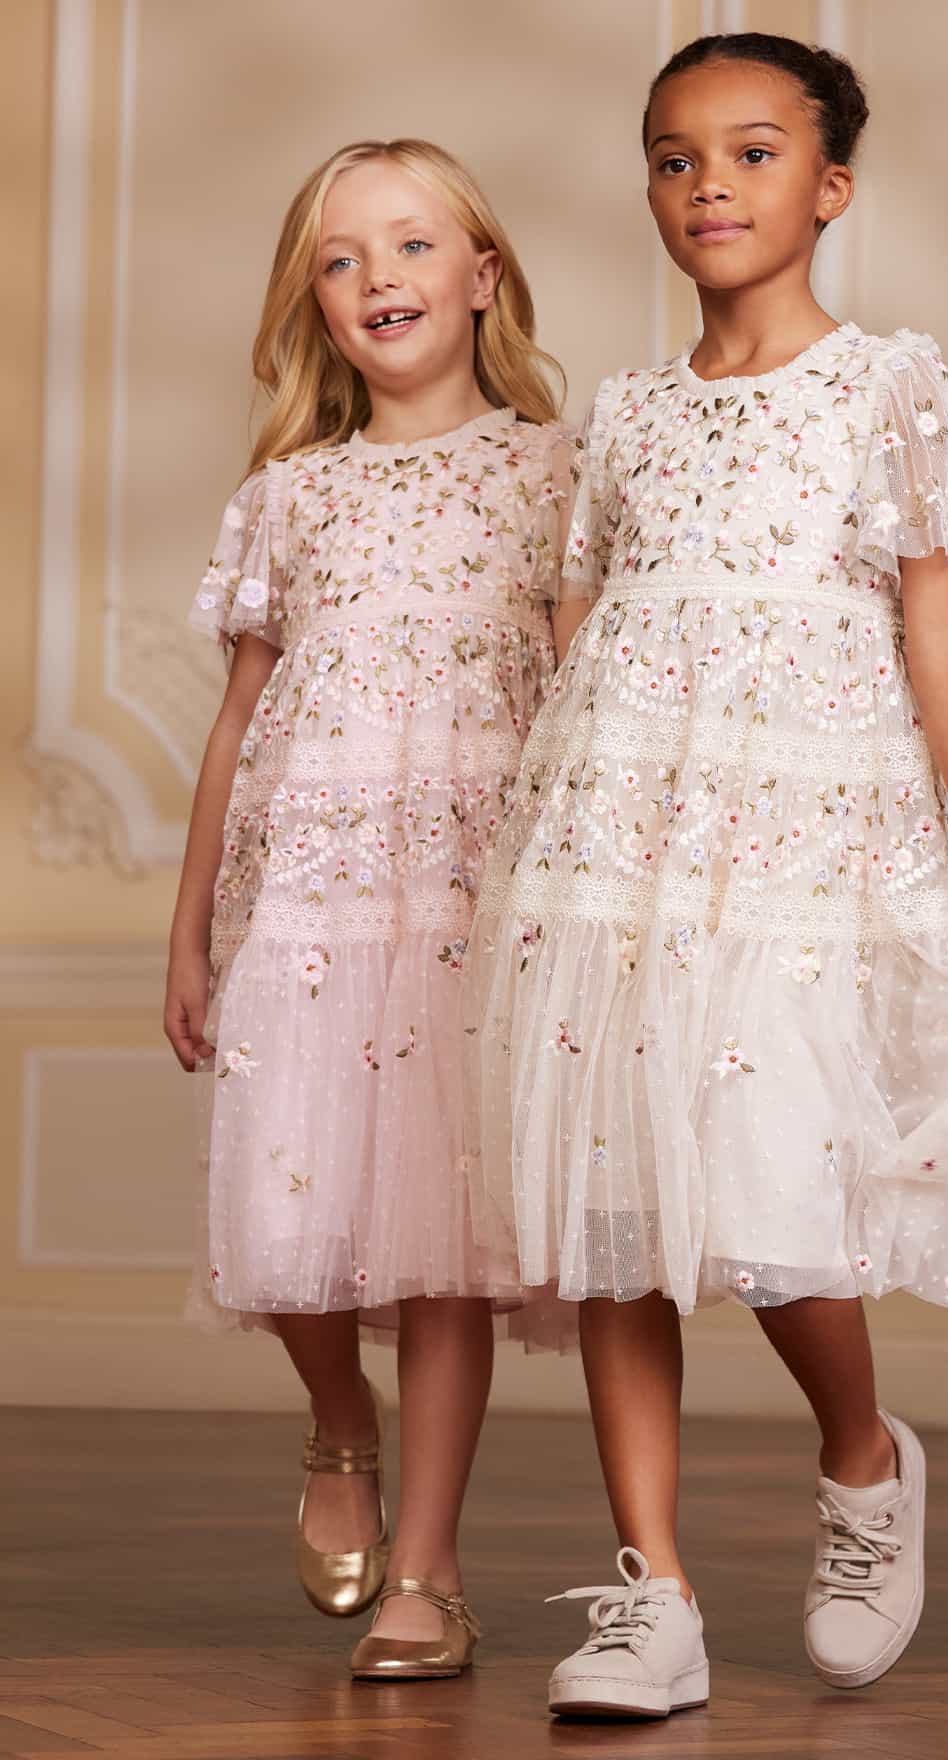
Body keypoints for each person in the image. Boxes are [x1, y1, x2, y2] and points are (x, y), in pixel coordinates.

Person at [463, 32, 948, 1718]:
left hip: (800, 853)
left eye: (751, 151)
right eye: (674, 157)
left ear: (831, 186)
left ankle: (863, 1463)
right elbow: (584, 626)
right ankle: (651, 1595)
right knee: (613, 1223)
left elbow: (942, 631)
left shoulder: (887, 387)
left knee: (782, 1208)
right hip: (618, 853)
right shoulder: (630, 413)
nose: (708, 184)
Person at [164, 136, 572, 1682]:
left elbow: (580, 693)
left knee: (440, 1234)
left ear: (480, 277)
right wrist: (190, 931)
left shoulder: (554, 471)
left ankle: (429, 1572)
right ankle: (342, 1417)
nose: (376, 278)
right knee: (293, 1214)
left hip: (472, 895)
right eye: (340, 260)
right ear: (314, 303)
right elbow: (236, 724)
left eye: (409, 246)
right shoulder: (290, 496)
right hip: (308, 896)